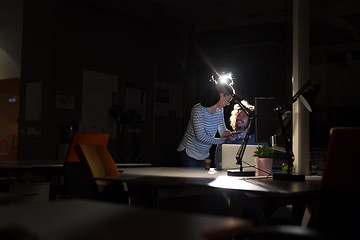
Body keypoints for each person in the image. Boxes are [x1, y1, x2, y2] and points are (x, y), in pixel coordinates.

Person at [177, 75, 235, 168]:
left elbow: (221, 128)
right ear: (221, 95)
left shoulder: (220, 110)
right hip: (189, 152)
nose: (228, 104)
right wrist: (219, 141)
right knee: (192, 181)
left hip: (203, 154)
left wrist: (227, 134)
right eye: (228, 100)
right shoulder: (198, 110)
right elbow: (200, 136)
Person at [215, 101, 258, 169]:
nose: (239, 118)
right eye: (238, 115)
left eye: (244, 116)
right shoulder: (227, 138)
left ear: (250, 121)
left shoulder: (258, 141)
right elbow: (218, 163)